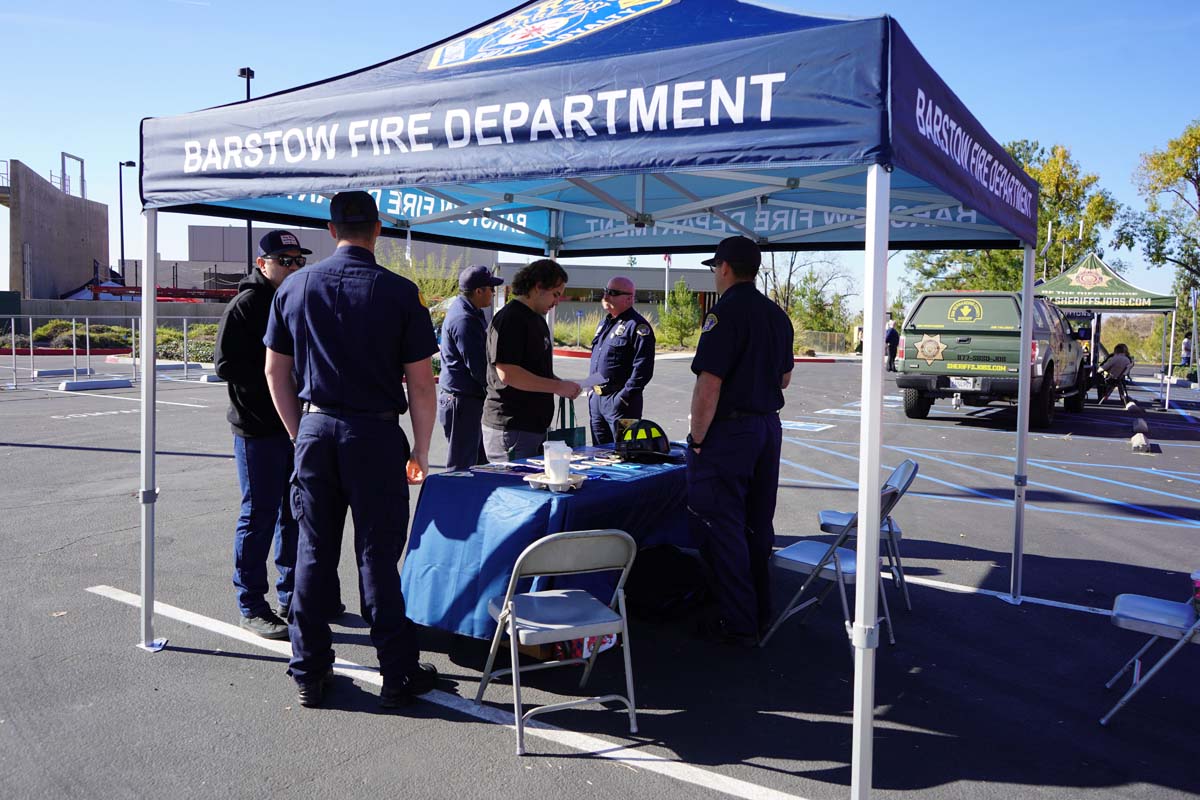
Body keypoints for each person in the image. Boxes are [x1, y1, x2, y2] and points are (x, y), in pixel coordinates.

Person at [264, 191, 439, 710]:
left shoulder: (294, 287)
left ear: (331, 229)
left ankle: (309, 672)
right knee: (377, 556)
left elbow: (276, 371)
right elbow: (422, 385)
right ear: (378, 229)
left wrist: (301, 432)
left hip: (317, 429)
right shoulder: (400, 292)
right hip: (375, 434)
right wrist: (423, 450)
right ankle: (397, 671)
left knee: (313, 552)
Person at [686, 235, 794, 646]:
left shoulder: (724, 313)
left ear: (725, 268)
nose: (715, 274)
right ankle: (760, 609)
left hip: (731, 432)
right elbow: (784, 377)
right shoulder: (776, 315)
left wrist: (697, 440)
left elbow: (708, 385)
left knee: (722, 525)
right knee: (757, 523)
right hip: (767, 427)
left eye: (715, 267)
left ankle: (738, 621)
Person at [213, 230, 309, 639]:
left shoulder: (293, 301)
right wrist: (276, 374)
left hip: (293, 426)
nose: (292, 267)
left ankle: (290, 594)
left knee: (292, 513)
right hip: (256, 429)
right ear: (262, 263)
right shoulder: (246, 305)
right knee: (259, 515)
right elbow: (224, 365)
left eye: (297, 260)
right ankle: (251, 604)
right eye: (284, 260)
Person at [482, 259, 581, 461]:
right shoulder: (511, 319)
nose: (557, 302)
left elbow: (536, 369)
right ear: (538, 287)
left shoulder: (536, 319)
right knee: (514, 489)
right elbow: (508, 373)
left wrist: (561, 384)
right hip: (512, 427)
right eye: (555, 294)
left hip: (532, 427)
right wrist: (556, 387)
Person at [439, 265, 504, 471]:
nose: (493, 293)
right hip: (462, 401)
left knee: (477, 463)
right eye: (490, 288)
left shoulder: (471, 311)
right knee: (462, 468)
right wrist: (501, 391)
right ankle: (455, 504)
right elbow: (479, 367)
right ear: (478, 291)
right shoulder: (464, 319)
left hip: (467, 400)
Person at [587, 276, 656, 445]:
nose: (606, 296)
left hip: (621, 404)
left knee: (625, 455)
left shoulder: (638, 327)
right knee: (599, 455)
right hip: (597, 400)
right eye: (606, 291)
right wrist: (590, 391)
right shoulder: (605, 323)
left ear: (629, 298)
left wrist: (624, 398)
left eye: (613, 293)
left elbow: (643, 369)